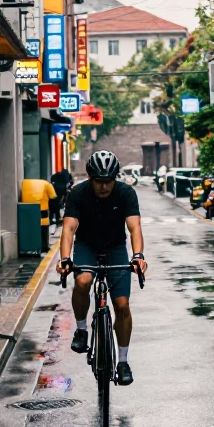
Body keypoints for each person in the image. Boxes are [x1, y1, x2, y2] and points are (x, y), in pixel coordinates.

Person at [57, 150, 149, 386]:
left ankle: (123, 361)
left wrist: (138, 255)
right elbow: (68, 229)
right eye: (99, 181)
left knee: (122, 304)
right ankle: (80, 329)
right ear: (90, 178)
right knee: (83, 281)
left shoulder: (126, 193)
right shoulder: (78, 193)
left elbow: (134, 227)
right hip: (87, 246)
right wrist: (65, 258)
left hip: (116, 247)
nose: (104, 186)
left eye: (109, 181)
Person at [20, 177, 58, 249]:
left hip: (26, 210)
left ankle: (30, 246)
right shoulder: (47, 184)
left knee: (28, 228)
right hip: (42, 210)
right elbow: (53, 196)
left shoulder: (24, 183)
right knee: (43, 227)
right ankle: (44, 246)